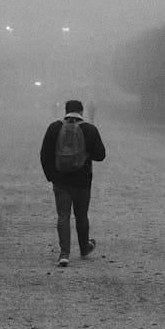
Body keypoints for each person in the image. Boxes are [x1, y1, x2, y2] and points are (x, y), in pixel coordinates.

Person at [40, 99, 106, 267]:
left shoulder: (54, 128)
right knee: (81, 215)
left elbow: (44, 154)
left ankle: (64, 254)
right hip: (83, 180)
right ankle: (84, 247)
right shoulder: (89, 129)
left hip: (61, 180)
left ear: (66, 110)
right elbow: (101, 155)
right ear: (82, 111)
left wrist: (52, 176)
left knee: (63, 215)